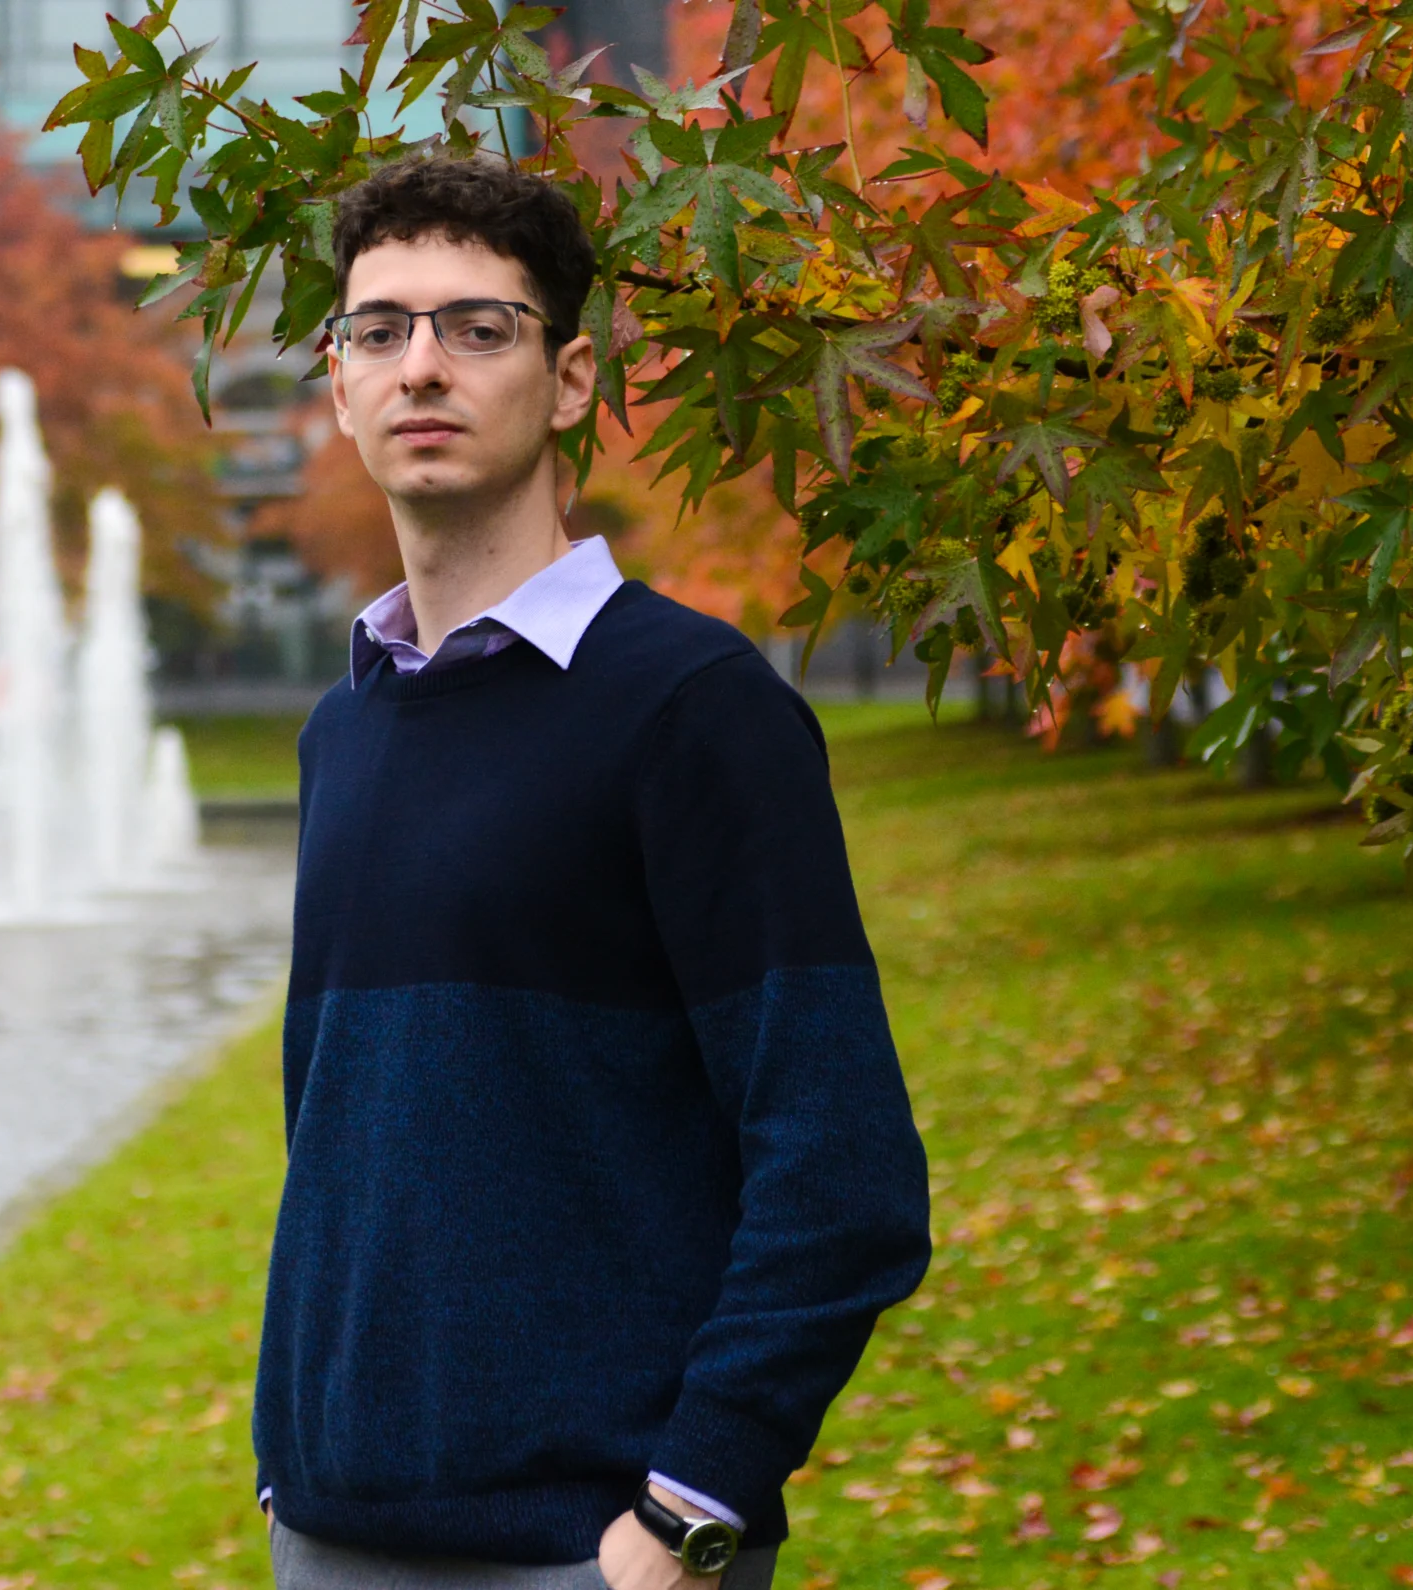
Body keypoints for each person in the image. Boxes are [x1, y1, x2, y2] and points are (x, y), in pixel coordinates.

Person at [252, 154, 933, 1590]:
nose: (421, 365)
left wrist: (691, 1509)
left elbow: (843, 1164)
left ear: (569, 383)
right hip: (333, 1534)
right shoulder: (347, 727)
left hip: (593, 1549)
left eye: (476, 328)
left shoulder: (690, 706)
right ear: (338, 383)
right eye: (380, 330)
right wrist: (295, 1453)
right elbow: (337, 1128)